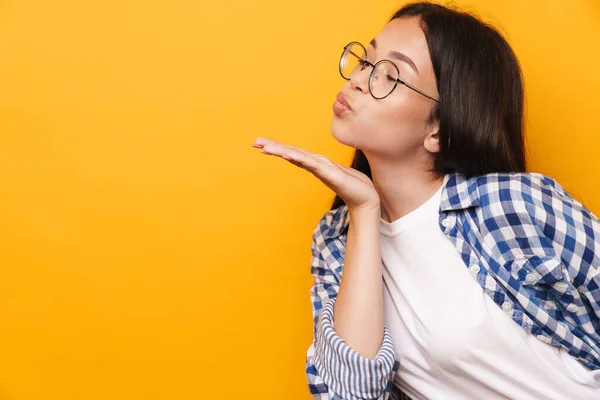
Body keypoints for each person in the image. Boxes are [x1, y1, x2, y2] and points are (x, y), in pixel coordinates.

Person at [251, 1, 600, 399]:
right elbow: (349, 394)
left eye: (391, 75)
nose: (360, 80)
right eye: (366, 61)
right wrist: (365, 211)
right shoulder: (334, 241)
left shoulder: (512, 205)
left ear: (437, 129)